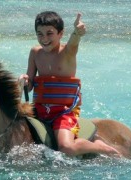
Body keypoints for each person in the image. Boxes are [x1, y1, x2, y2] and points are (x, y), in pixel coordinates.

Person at [19, 11, 121, 157]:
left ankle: (98, 146)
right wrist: (24, 80)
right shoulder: (35, 53)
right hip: (39, 110)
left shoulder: (67, 52)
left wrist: (77, 33)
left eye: (50, 33)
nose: (44, 39)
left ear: (60, 34)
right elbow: (28, 86)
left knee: (66, 148)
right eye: (40, 34)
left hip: (63, 112)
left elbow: (74, 42)